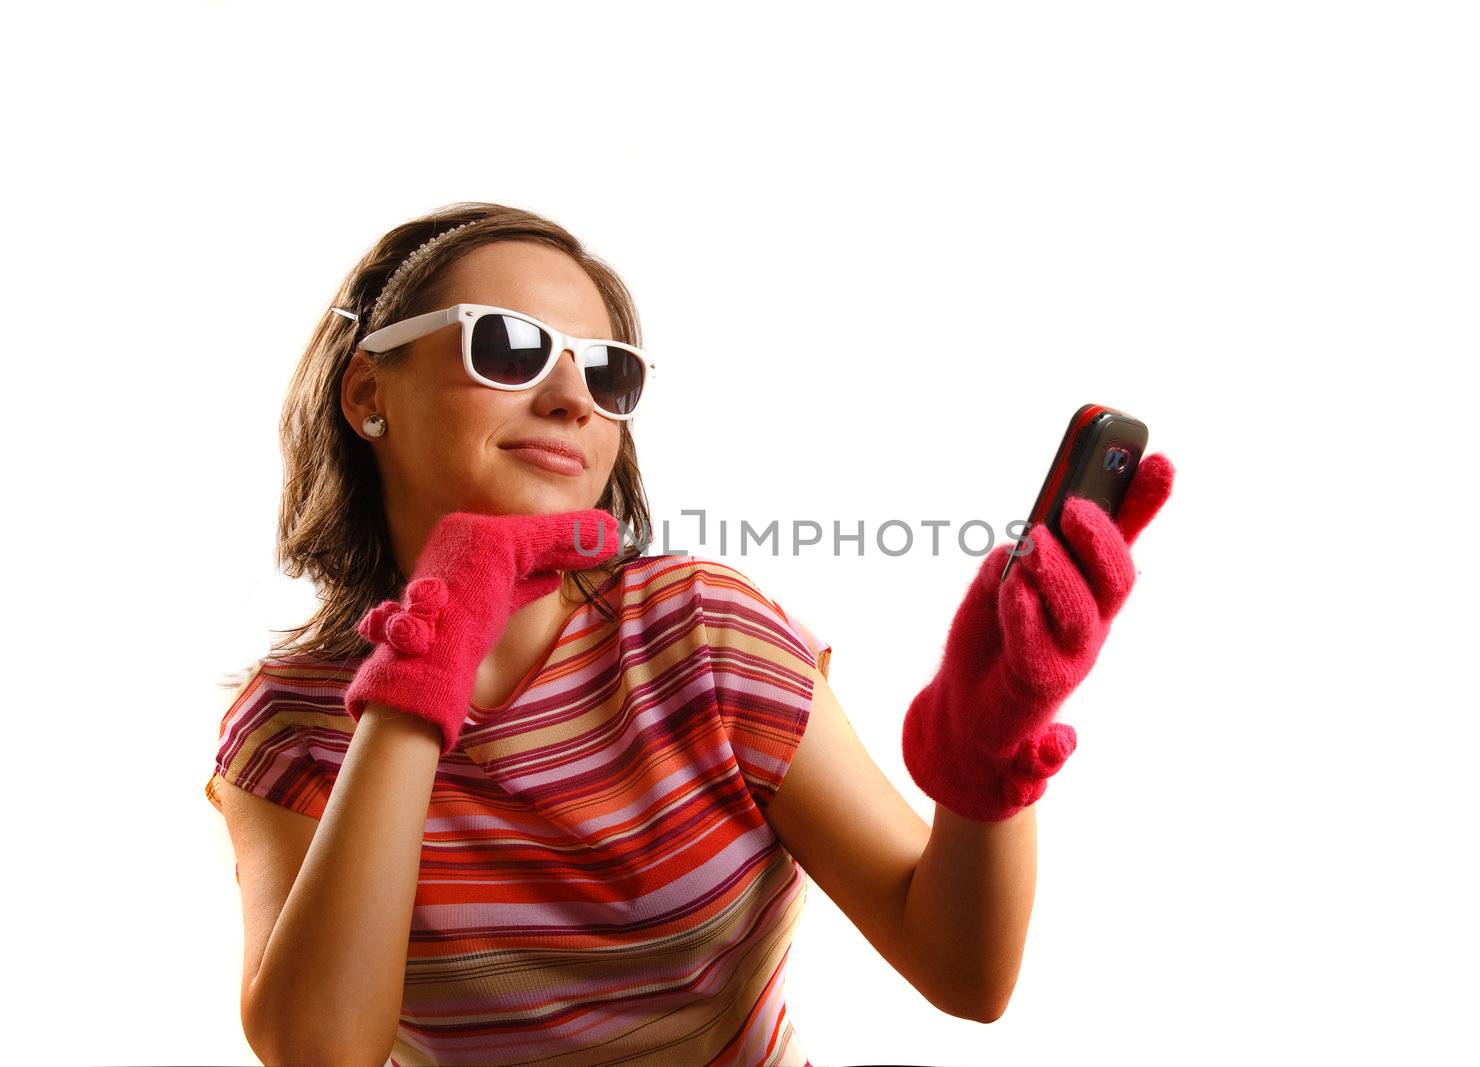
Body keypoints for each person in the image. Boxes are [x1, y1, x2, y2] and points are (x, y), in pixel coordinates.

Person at [204, 201, 1175, 1067]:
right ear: (369, 392)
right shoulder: (289, 723)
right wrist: (425, 668)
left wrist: (986, 762)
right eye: (507, 346)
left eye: (605, 371)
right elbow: (320, 1049)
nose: (570, 398)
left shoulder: (698, 636)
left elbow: (965, 974)